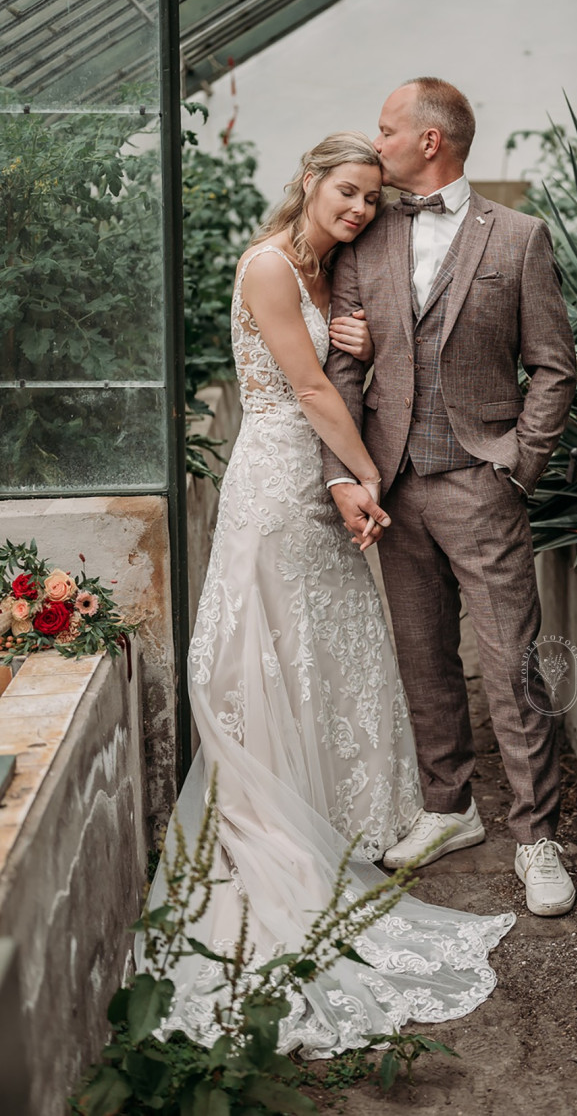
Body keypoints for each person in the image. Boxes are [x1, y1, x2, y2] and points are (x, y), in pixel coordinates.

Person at [138, 132, 514, 1057]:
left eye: (368, 202)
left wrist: (365, 339)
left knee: (330, 645)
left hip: (327, 486)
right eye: (345, 192)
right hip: (280, 482)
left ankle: (339, 811)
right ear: (308, 180)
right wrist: (367, 475)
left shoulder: (330, 273)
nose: (356, 210)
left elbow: (357, 362)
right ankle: (280, 820)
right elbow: (305, 386)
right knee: (273, 647)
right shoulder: (268, 265)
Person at [323, 81, 577, 917]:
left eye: (389, 130)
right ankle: (450, 808)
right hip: (393, 486)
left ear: (432, 142)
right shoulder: (366, 236)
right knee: (423, 656)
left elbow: (552, 364)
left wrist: (521, 466)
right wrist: (352, 472)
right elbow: (345, 366)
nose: (378, 140)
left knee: (511, 664)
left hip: (482, 482)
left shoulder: (519, 236)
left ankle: (537, 837)